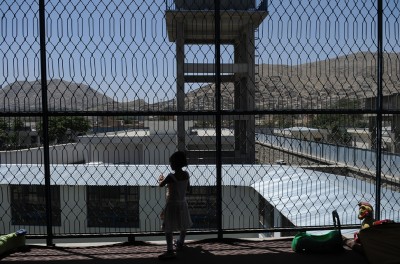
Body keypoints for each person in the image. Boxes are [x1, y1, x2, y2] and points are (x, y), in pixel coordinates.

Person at [157, 151, 193, 260]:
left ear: (174, 164)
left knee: (168, 228)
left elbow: (161, 185)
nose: (170, 164)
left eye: (171, 162)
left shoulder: (170, 176)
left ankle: (170, 251)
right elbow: (188, 189)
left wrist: (161, 179)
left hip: (172, 204)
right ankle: (180, 242)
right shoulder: (186, 174)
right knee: (183, 224)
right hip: (182, 203)